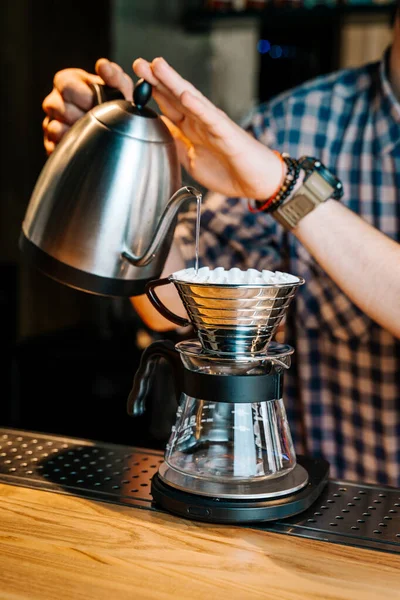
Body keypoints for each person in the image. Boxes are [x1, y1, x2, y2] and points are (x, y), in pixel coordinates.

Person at [41, 13, 400, 487]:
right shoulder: (294, 123)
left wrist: (284, 186)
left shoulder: (273, 159)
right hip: (325, 518)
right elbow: (177, 301)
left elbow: (274, 181)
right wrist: (113, 178)